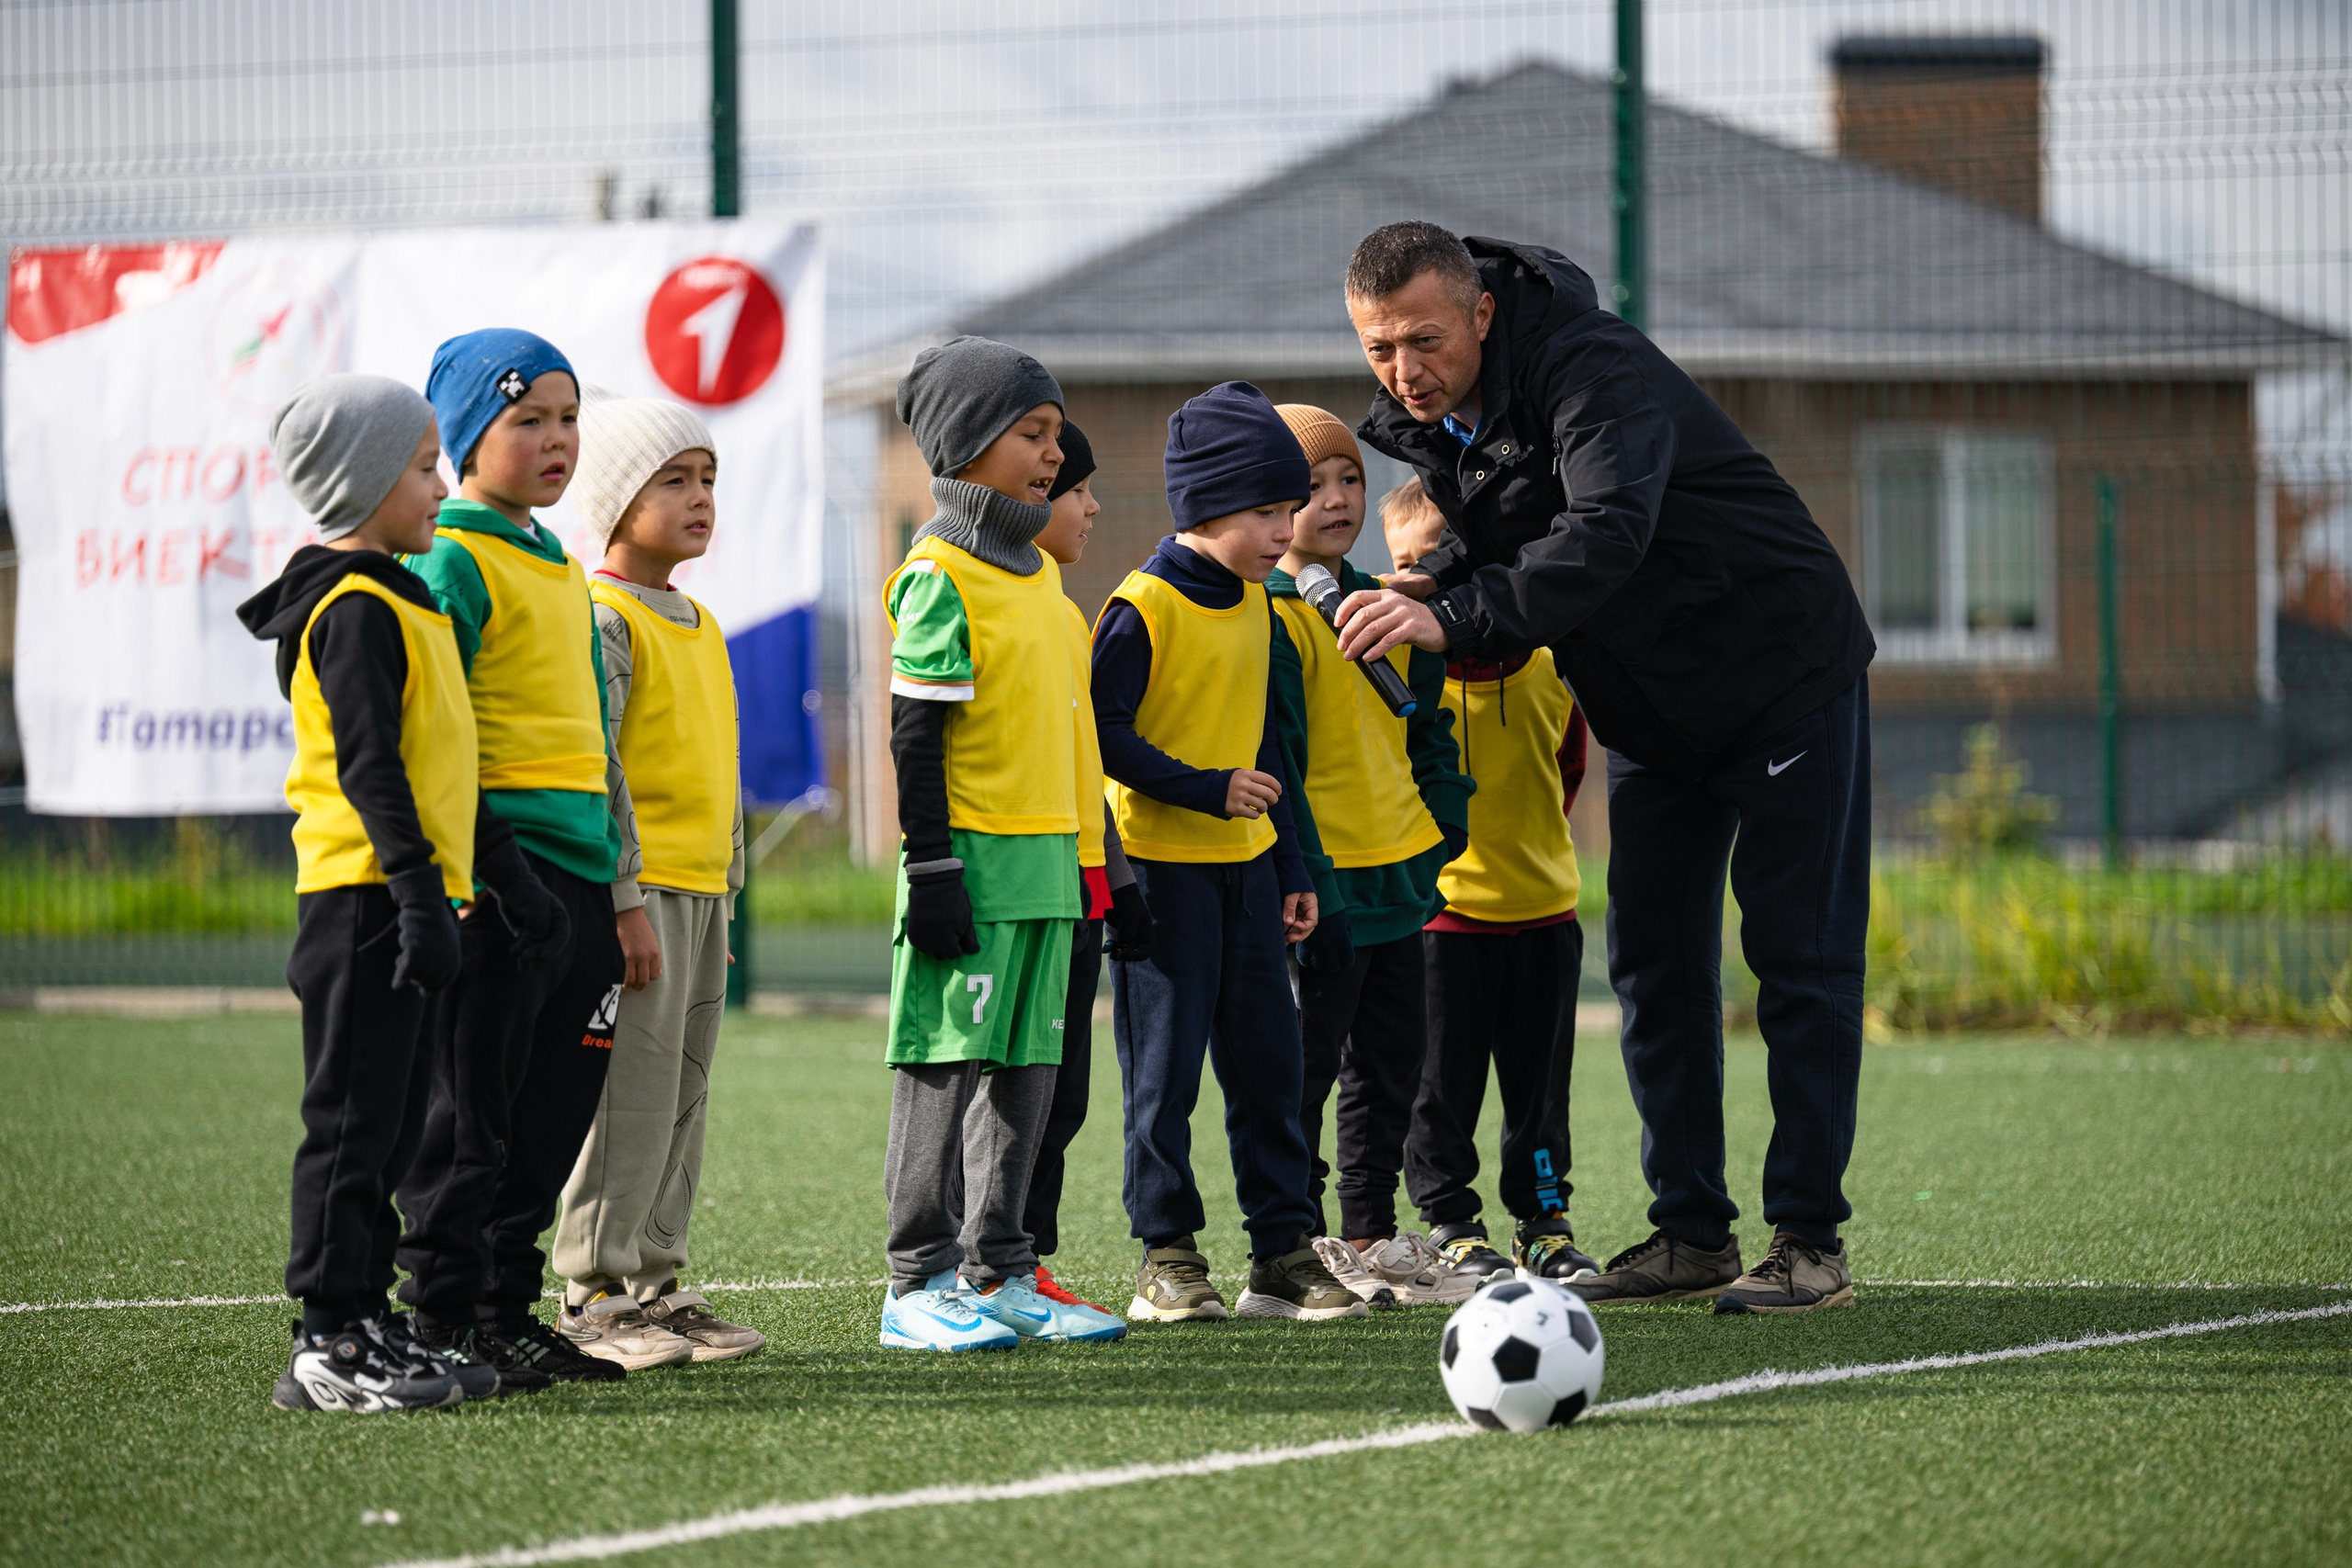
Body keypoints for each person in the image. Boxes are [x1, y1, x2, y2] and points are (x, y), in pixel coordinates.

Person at [1334, 222, 1871, 1314]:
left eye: (1424, 341)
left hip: (1781, 674)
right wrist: (1439, 579)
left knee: (1799, 962)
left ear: (1482, 312)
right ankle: (1693, 1235)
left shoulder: (1594, 369)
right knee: (1653, 968)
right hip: (1653, 712)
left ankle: (1808, 1243)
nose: (1403, 371)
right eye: (1378, 348)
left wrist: (1459, 614)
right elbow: (1501, 527)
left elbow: (1605, 529)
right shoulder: (1439, 416)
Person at [237, 373, 558, 1411]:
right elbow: (373, 769)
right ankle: (326, 1340)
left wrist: (511, 884)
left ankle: (368, 1320)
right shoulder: (353, 609)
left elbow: (448, 771)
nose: (440, 488)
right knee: (350, 1126)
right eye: (424, 469)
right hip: (362, 902)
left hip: (409, 898)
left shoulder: (406, 601)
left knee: (389, 1130)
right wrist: (419, 896)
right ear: (363, 482)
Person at [1093, 380, 1364, 1324]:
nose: (1285, 531)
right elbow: (1103, 737)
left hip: (1249, 874)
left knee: (1268, 1068)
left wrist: (1289, 867)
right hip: (1158, 875)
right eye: (1266, 513)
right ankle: (1166, 1257)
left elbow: (1263, 749)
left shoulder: (1258, 601)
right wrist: (1207, 790)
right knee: (1163, 1077)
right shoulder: (1140, 607)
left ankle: (1282, 1254)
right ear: (1205, 505)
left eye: (1290, 509)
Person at [394, 329, 634, 1385]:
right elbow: (432, 730)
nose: (556, 438)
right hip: (500, 878)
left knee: (549, 1116)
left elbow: (594, 739)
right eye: (526, 418)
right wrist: (476, 874)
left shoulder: (561, 566)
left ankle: (504, 1310)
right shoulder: (448, 556)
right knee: (469, 1116)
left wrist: (617, 889)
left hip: (579, 879)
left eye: (568, 417)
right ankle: (438, 1318)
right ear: (462, 437)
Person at [879, 335, 1128, 1349]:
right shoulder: (937, 575)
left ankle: (1002, 1268)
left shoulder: (1047, 590)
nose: (1052, 454)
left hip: (1051, 874)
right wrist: (932, 864)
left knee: (1028, 1074)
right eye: (1031, 433)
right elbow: (915, 737)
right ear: (966, 442)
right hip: (972, 870)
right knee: (944, 1068)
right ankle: (914, 1282)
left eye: (1053, 433)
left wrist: (1104, 869)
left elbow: (1072, 750)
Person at [548, 390, 765, 1369]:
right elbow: (600, 767)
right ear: (615, 499)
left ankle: (655, 1282)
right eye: (672, 480)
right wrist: (624, 899)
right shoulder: (604, 618)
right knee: (625, 1099)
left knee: (682, 1095)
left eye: (707, 478)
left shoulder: (701, 620)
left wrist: (727, 891)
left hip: (701, 899)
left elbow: (719, 763)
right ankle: (590, 1292)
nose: (699, 497)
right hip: (637, 903)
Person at [1261, 409, 1476, 1310]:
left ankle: (1368, 1234)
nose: (1337, 499)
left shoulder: (1388, 604)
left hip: (1402, 873)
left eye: (1349, 478)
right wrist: (1303, 871)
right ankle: (1298, 1241)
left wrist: (1442, 827)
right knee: (1307, 1068)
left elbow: (1429, 728)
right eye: (1311, 485)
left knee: (1390, 1067)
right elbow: (1280, 757)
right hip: (1325, 885)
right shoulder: (1269, 616)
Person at [1382, 478, 1600, 1286]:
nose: (1420, 580)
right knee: (1440, 1089)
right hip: (1444, 923)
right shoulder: (1401, 678)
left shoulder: (1550, 665)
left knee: (1540, 1093)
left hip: (1545, 914)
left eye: (1437, 560)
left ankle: (1543, 1222)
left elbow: (1567, 770)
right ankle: (1450, 1222)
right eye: (1404, 564)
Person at [1022, 419, 1156, 1316]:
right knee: (1011, 1090)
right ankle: (975, 1260)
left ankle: (1026, 1257)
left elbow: (1083, 765)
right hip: (1016, 887)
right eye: (1075, 490)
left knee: (1062, 1096)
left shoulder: (1068, 611)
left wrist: (1119, 882)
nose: (1093, 507)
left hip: (1080, 884)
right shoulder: (978, 595)